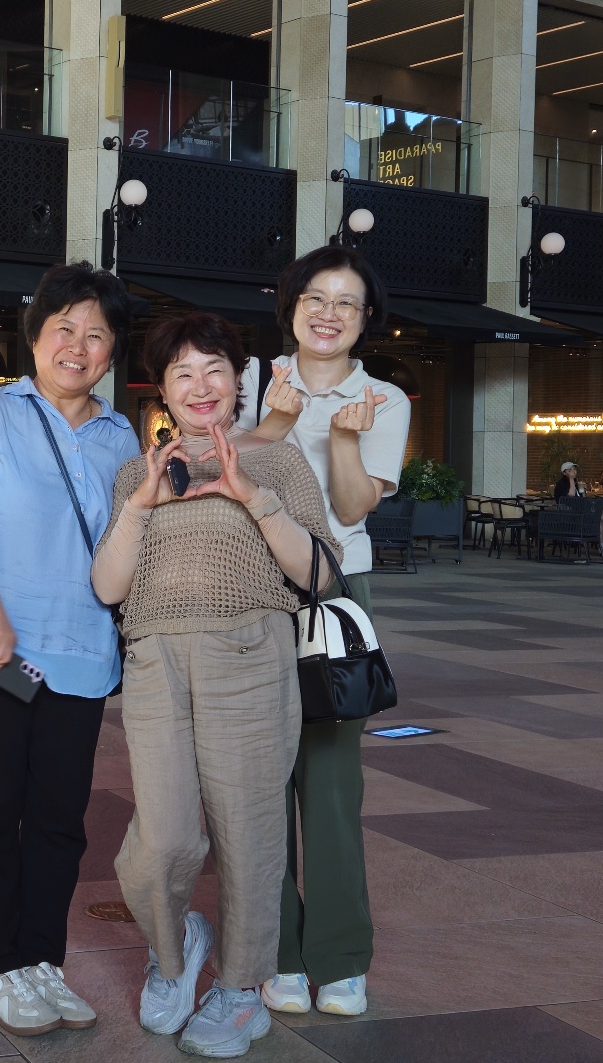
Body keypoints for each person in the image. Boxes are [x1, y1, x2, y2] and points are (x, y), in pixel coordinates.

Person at [92, 312, 340, 1058]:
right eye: (183, 373)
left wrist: (251, 497)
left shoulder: (279, 463)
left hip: (250, 656)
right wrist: (140, 506)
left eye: (214, 370)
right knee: (161, 838)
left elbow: (322, 574)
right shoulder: (135, 473)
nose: (200, 386)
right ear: (162, 390)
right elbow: (107, 588)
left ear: (239, 382)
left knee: (249, 832)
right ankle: (174, 953)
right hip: (155, 663)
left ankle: (240, 991)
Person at [0, 261, 136, 1038]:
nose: (77, 347)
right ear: (37, 336)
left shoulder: (121, 438)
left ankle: (42, 961)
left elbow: (129, 542)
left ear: (111, 352)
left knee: (59, 819)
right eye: (64, 329)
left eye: (96, 334)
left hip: (78, 652)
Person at [235, 245, 411, 1020]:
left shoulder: (385, 398)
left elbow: (350, 508)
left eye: (346, 302)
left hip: (336, 591)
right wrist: (275, 422)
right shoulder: (249, 380)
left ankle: (340, 958)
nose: (328, 313)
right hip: (250, 587)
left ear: (367, 318)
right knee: (257, 781)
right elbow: (222, 472)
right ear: (291, 305)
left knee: (333, 784)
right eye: (315, 296)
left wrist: (342, 439)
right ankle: (278, 951)